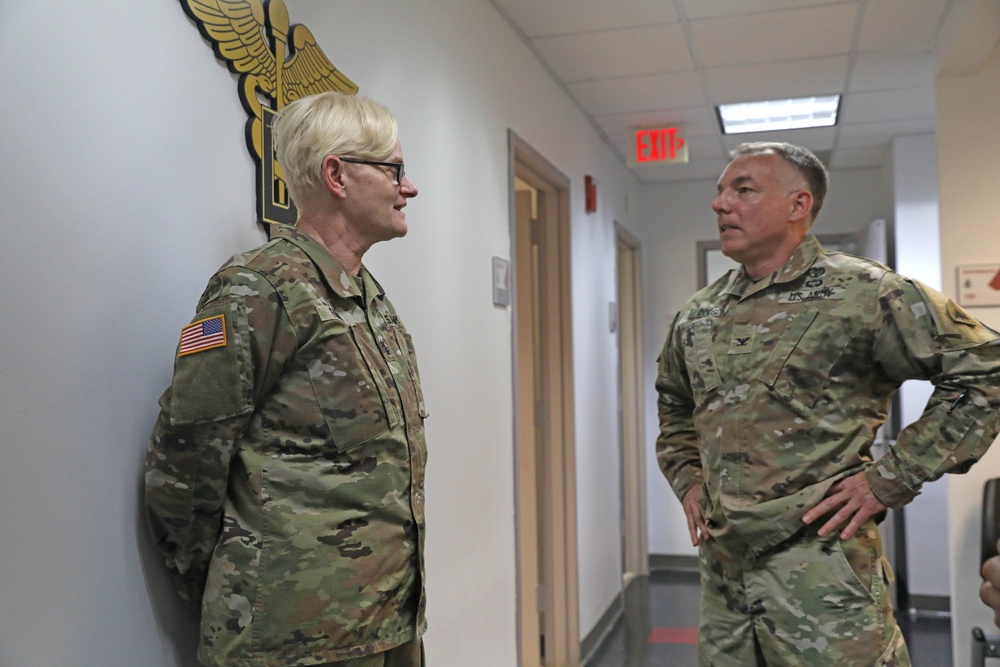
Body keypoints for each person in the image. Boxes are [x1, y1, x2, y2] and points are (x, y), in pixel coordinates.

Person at [656, 141, 1000, 666]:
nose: (720, 203)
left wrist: (892, 477)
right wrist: (688, 479)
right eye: (720, 191)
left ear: (799, 205)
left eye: (742, 189)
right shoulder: (699, 313)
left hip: (823, 575)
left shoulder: (866, 293)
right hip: (726, 579)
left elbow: (986, 370)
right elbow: (675, 404)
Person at [145, 91, 428, 667]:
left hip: (386, 622)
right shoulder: (259, 288)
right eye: (395, 169)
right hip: (290, 639)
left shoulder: (369, 299)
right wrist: (238, 590)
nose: (409, 187)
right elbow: (186, 463)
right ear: (337, 176)